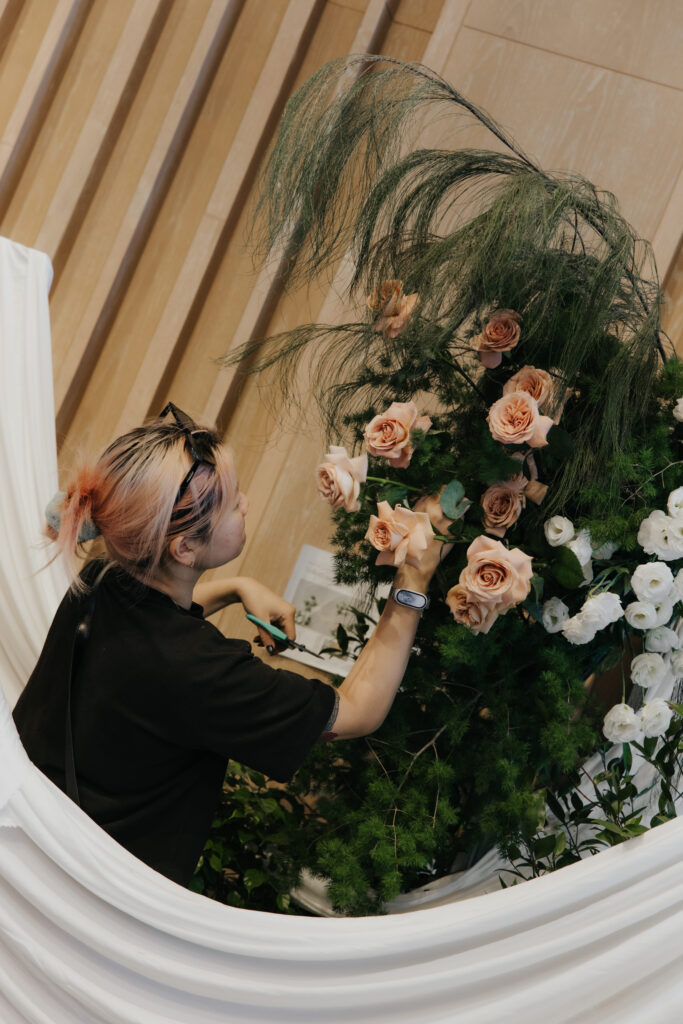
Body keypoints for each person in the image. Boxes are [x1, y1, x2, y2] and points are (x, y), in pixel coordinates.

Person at [13, 403, 448, 887]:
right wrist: (413, 582)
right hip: (100, 901)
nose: (245, 501)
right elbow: (359, 710)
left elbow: (156, 629)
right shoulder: (201, 672)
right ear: (184, 549)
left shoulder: (100, 582)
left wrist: (238, 586)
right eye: (231, 499)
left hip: (30, 859)